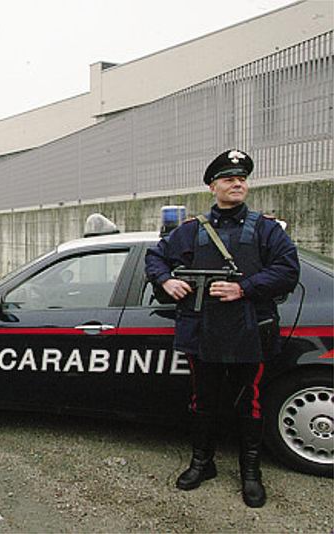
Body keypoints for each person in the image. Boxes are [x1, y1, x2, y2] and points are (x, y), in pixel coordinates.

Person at [145, 149, 299, 508]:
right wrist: (166, 280)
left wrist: (243, 288)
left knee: (252, 403)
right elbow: (155, 257)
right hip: (203, 330)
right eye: (229, 178)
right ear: (213, 186)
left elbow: (288, 270)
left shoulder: (266, 229)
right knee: (203, 401)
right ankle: (203, 463)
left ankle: (251, 474)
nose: (237, 183)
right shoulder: (191, 231)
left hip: (250, 330)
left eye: (242, 178)